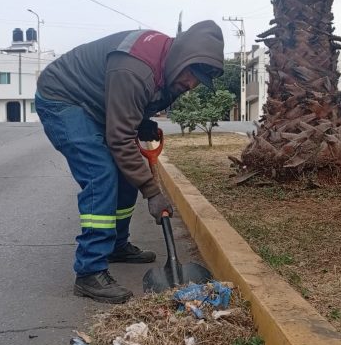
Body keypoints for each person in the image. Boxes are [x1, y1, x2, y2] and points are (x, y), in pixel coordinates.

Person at [35, 20, 224, 304]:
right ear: (182, 56)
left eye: (198, 81)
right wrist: (153, 192)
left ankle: (116, 245)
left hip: (98, 106)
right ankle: (89, 271)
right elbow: (120, 138)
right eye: (191, 74)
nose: (191, 85)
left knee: (125, 177)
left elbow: (129, 110)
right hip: (64, 99)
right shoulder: (135, 68)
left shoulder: (168, 68)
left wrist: (141, 123)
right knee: (101, 175)